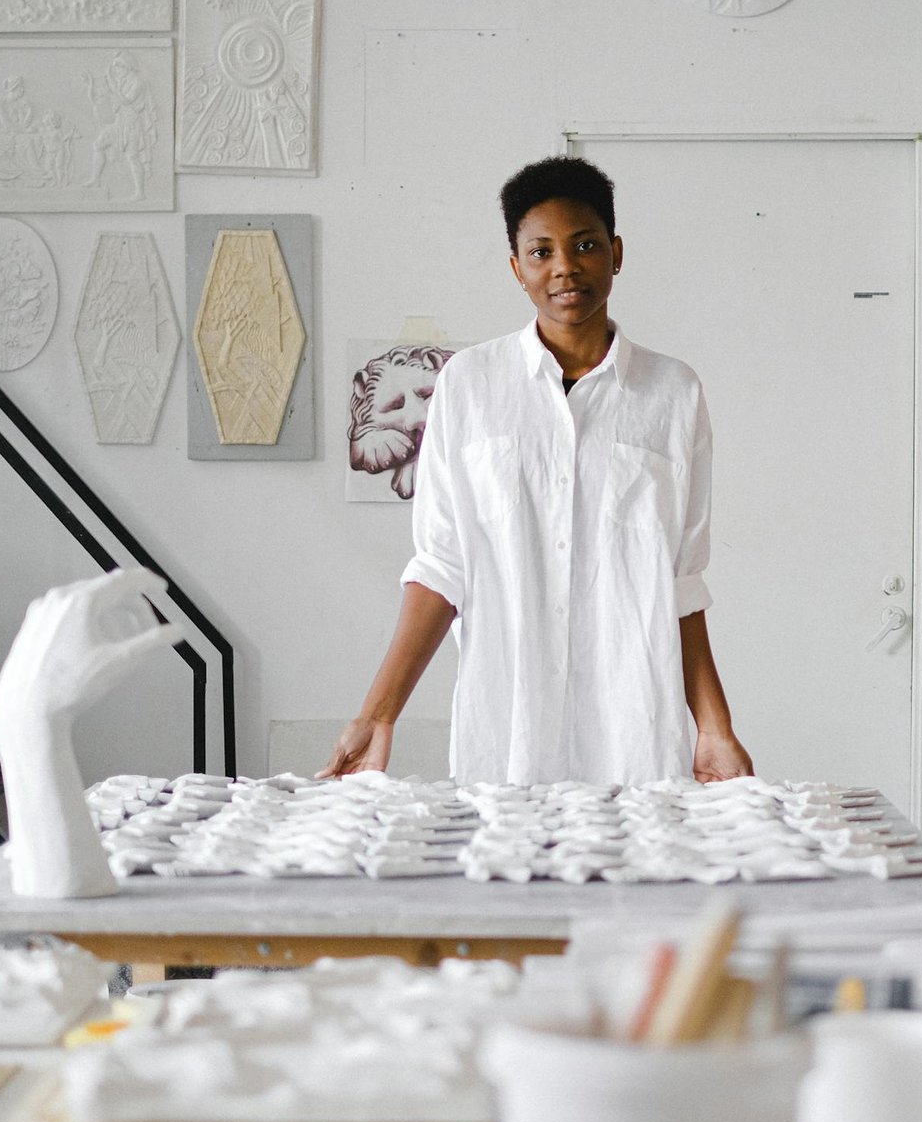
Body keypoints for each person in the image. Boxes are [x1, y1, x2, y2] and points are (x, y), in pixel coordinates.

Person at [321, 157, 753, 788]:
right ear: (516, 266)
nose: (565, 267)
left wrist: (714, 730)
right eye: (541, 250)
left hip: (634, 737)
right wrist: (378, 716)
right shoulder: (469, 386)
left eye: (585, 245)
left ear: (616, 253)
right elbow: (442, 568)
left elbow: (681, 584)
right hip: (507, 736)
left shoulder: (673, 394)